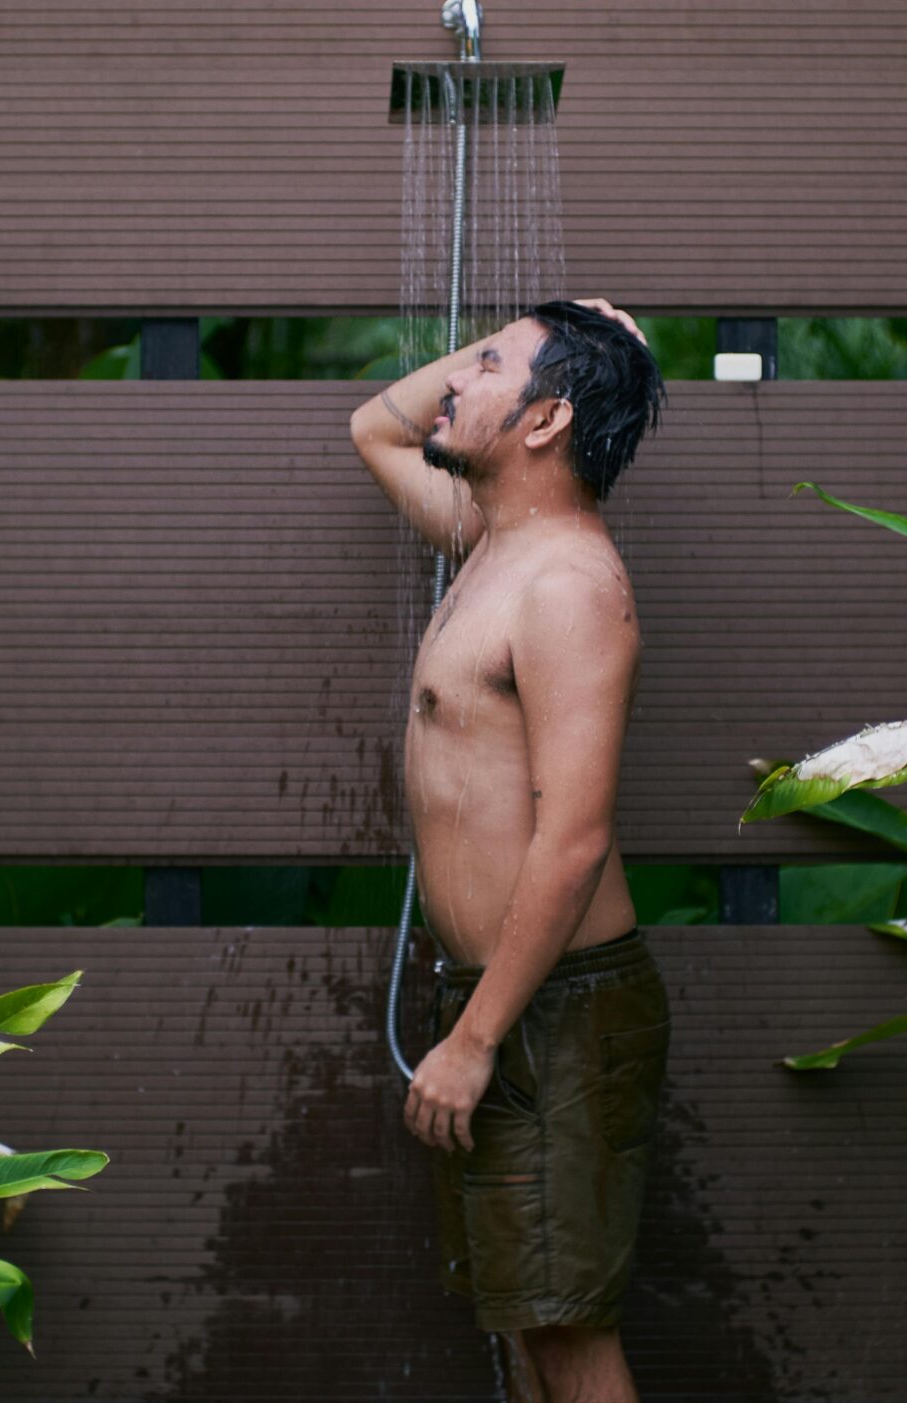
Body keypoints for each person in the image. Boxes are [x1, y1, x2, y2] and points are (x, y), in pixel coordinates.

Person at [347, 297, 670, 1403]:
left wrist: (477, 1041)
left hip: (555, 1011)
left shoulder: (569, 587)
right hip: (505, 998)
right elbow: (374, 427)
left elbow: (574, 840)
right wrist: (569, 328)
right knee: (530, 1338)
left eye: (486, 364)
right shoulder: (492, 543)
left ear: (544, 423)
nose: (454, 379)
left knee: (568, 1341)